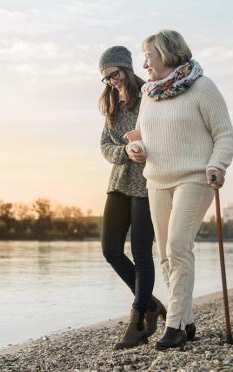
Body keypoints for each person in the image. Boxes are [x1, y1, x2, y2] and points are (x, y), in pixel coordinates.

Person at [128, 30, 233, 350]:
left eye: (148, 55)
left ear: (166, 53)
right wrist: (137, 148)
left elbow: (224, 133)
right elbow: (147, 138)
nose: (144, 62)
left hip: (195, 177)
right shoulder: (150, 93)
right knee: (164, 255)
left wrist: (218, 164)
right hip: (157, 180)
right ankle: (186, 320)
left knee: (177, 245)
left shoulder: (202, 86)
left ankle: (173, 327)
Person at [98, 46, 166, 350]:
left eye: (114, 74)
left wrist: (143, 146)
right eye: (106, 78)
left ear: (126, 68)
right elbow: (104, 145)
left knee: (141, 252)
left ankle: (138, 320)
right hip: (119, 182)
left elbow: (164, 135)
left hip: (147, 183)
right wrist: (123, 152)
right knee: (110, 249)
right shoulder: (111, 103)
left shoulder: (150, 97)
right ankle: (150, 304)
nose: (112, 81)